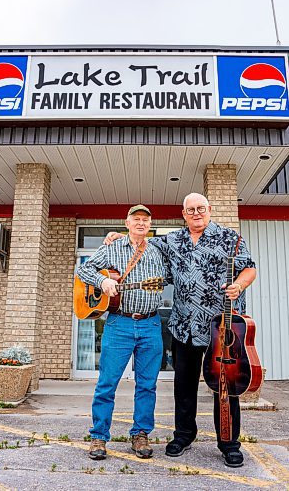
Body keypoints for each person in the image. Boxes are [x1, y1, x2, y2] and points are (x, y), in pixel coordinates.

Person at [104, 193, 256, 468]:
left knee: (225, 388)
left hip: (220, 326)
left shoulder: (229, 237)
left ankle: (229, 443)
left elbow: (250, 269)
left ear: (209, 209)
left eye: (200, 208)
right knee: (183, 386)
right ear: (183, 214)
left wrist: (240, 285)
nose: (196, 213)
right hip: (184, 325)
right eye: (190, 210)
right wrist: (116, 235)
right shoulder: (173, 240)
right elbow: (142, 241)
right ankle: (184, 436)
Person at [76, 205, 169, 461]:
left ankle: (140, 435)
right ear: (126, 223)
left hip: (151, 325)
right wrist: (103, 281)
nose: (141, 223)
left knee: (147, 386)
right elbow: (83, 270)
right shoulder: (112, 247)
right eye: (136, 219)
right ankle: (99, 436)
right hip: (119, 324)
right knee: (107, 383)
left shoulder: (159, 250)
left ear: (150, 225)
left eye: (145, 220)